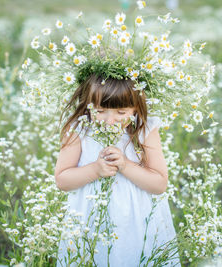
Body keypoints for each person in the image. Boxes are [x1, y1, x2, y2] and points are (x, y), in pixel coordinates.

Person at [55, 73, 180, 266]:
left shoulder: (144, 129)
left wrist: (125, 165)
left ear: (136, 108)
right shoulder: (79, 129)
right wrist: (95, 170)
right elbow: (62, 180)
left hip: (138, 222)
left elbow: (159, 184)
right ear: (88, 104)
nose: (110, 120)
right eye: (100, 110)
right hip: (91, 223)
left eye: (121, 113)